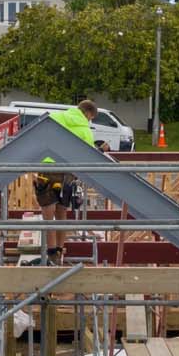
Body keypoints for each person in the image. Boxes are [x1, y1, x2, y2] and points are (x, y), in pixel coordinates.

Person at [35, 100, 100, 261]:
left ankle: (51, 254)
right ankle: (60, 250)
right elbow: (88, 155)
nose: (89, 121)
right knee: (62, 212)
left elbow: (38, 137)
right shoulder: (85, 131)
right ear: (87, 114)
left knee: (48, 216)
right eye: (90, 118)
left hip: (47, 170)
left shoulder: (56, 118)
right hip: (67, 174)